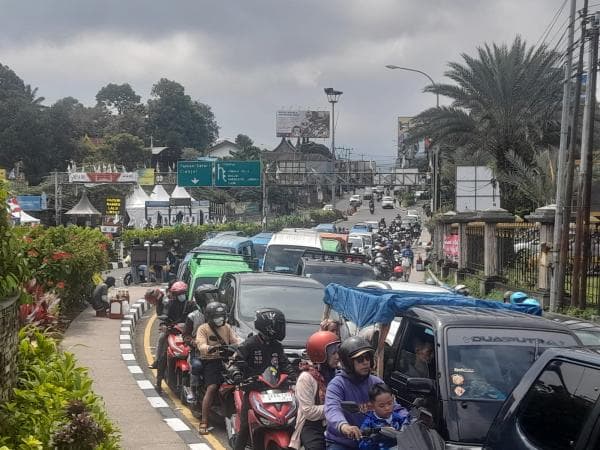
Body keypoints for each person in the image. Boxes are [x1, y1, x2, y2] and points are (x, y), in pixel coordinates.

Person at [231, 308, 296, 450]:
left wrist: (294, 376)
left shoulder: (277, 346)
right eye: (278, 325)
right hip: (254, 389)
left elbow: (285, 363)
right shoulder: (249, 344)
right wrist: (236, 374)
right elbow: (235, 362)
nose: (281, 329)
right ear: (268, 326)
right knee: (244, 427)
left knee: (291, 420)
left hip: (276, 390)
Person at [324, 336, 384, 449]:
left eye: (368, 358)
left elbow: (391, 405)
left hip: (372, 440)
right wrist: (344, 426)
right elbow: (332, 409)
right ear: (348, 363)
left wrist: (406, 417)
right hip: (343, 443)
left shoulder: (376, 382)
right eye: (360, 359)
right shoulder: (337, 384)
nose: (366, 362)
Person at [196, 302, 241, 434]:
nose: (220, 319)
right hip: (211, 361)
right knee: (212, 387)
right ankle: (204, 421)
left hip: (227, 360)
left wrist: (241, 344)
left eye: (222, 316)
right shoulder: (203, 329)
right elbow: (201, 345)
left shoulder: (226, 327)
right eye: (217, 316)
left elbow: (235, 340)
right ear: (210, 317)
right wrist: (209, 348)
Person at [291, 331, 341, 450]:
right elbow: (309, 411)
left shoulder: (339, 374)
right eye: (333, 353)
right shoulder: (306, 378)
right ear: (320, 355)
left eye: (338, 352)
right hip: (313, 425)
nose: (337, 357)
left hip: (338, 420)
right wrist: (336, 407)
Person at [148, 281, 195, 373]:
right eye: (179, 294)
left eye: (183, 293)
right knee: (161, 339)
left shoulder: (191, 304)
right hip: (172, 330)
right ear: (174, 294)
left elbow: (196, 317)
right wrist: (163, 325)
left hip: (188, 331)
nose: (181, 295)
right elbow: (164, 316)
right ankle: (157, 362)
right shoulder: (169, 304)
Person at [358, 383, 411, 450]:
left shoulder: (397, 417)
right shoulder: (369, 423)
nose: (387, 408)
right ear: (372, 406)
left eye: (389, 403)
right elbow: (361, 445)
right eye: (382, 406)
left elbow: (407, 424)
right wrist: (373, 439)